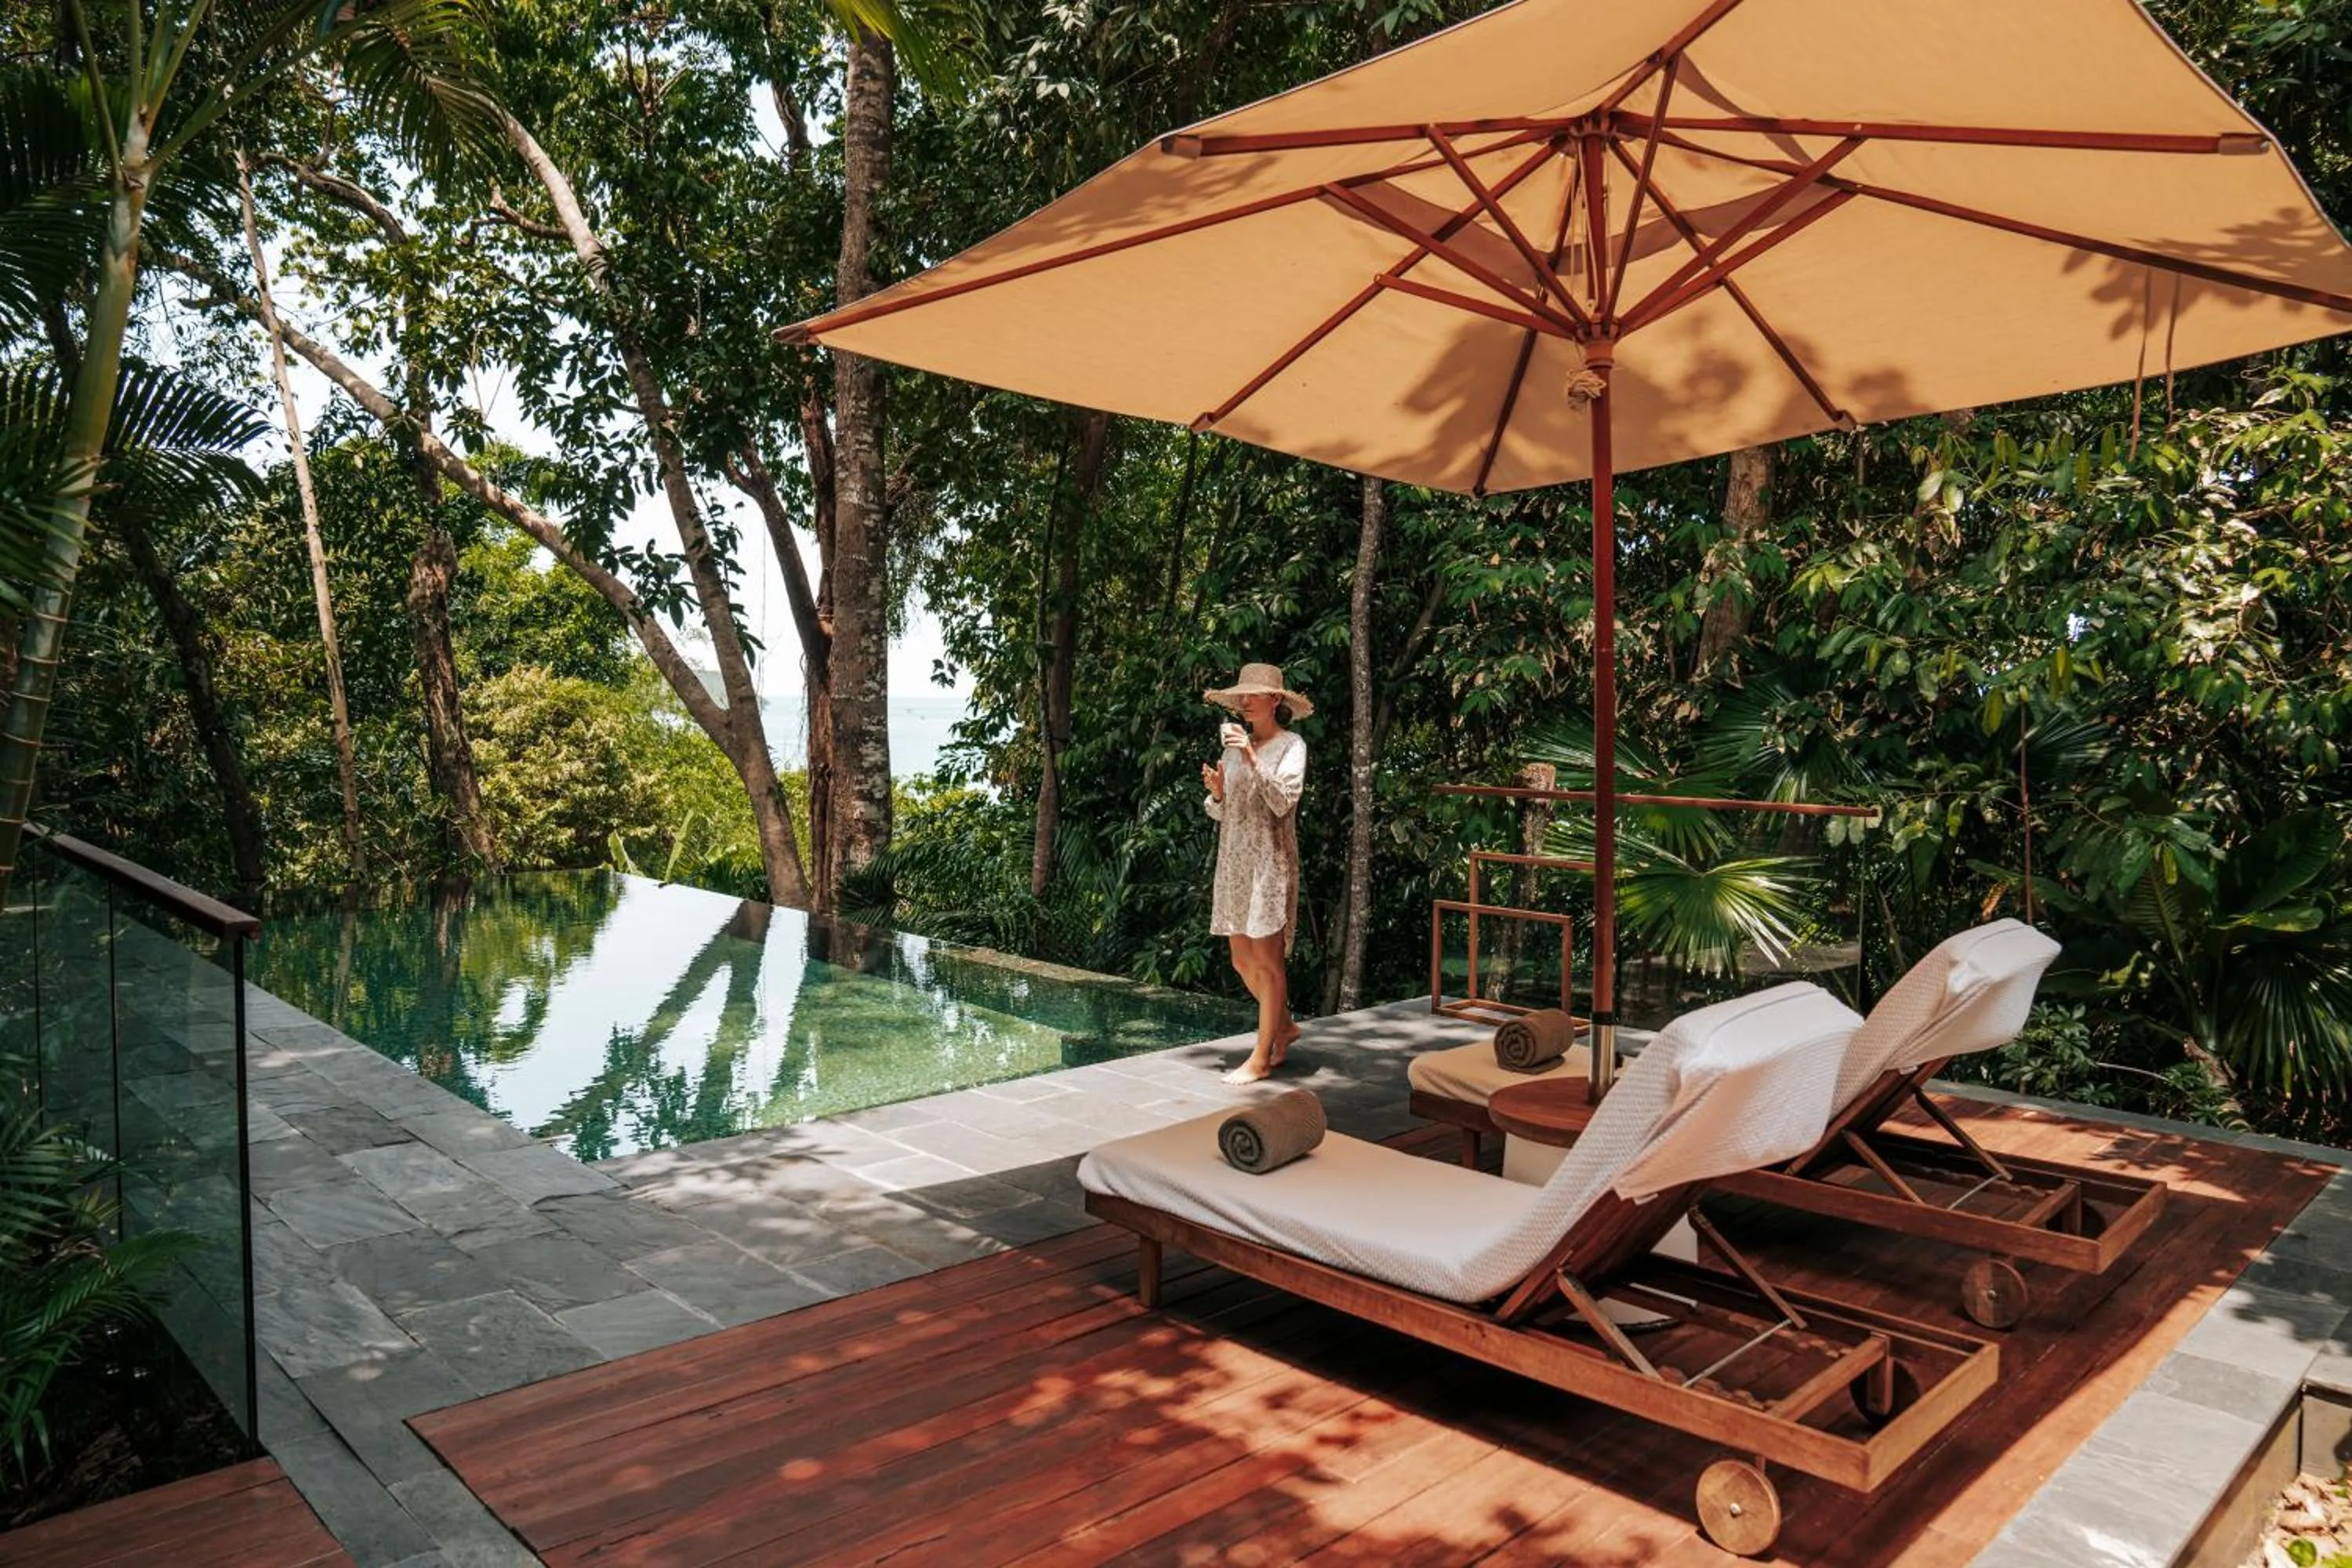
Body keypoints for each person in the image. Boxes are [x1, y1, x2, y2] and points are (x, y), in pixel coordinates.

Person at [1200, 662, 1311, 1083]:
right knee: (1242, 960)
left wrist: (1249, 753)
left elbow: (1283, 801)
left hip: (1269, 863)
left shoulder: (1291, 746)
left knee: (1268, 963)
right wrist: (1217, 793)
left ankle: (1262, 1057)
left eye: (1253, 695)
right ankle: (1283, 1026)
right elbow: (1224, 811)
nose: (1244, 701)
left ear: (1275, 701)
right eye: (1240, 695)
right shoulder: (1232, 749)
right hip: (1234, 863)